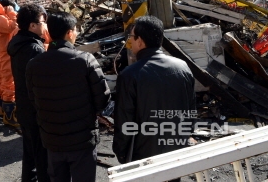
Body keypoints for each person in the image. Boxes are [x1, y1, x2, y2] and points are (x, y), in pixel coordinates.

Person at [26, 12, 110, 182]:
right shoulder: (85, 60)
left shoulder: (33, 64)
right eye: (76, 31)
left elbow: (33, 100)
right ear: (70, 33)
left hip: (52, 140)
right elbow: (103, 99)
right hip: (82, 140)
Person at [113, 15, 196, 166]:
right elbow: (191, 111)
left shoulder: (129, 75)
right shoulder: (182, 67)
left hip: (144, 155)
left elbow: (124, 120)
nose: (130, 41)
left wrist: (121, 151)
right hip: (177, 151)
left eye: (131, 36)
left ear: (140, 41)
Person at [7, 4, 50, 182]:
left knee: (30, 154)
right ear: (32, 25)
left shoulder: (18, 43)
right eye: (42, 21)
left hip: (24, 106)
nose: (45, 25)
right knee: (42, 157)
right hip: (35, 109)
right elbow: (41, 82)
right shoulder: (33, 49)